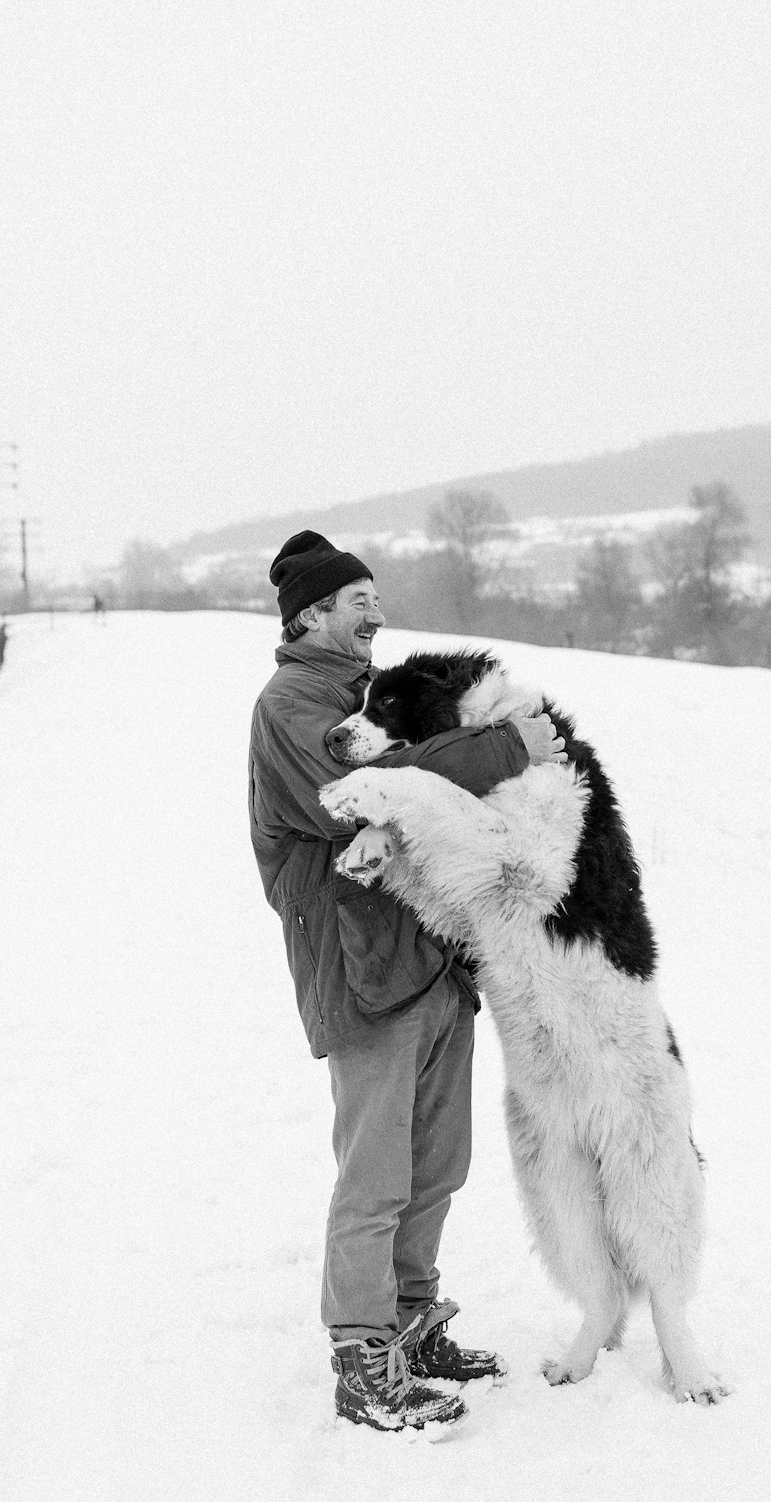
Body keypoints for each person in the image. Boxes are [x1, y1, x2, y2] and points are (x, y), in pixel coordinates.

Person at [248, 530, 566, 1432]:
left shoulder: (359, 695)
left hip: (429, 959)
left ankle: (414, 1318)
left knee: (438, 1164)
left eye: (375, 597)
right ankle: (361, 1355)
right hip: (360, 967)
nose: (376, 613)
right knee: (376, 1173)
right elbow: (378, 787)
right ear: (311, 614)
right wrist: (508, 748)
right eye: (357, 601)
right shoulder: (293, 709)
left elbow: (439, 799)